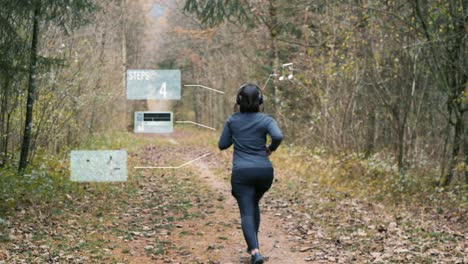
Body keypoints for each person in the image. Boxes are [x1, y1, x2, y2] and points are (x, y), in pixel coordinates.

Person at [218, 83, 283, 264]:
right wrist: (270, 149)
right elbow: (278, 136)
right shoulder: (267, 120)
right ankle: (253, 243)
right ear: (260, 101)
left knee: (247, 211)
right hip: (264, 172)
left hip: (242, 173)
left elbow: (222, 144)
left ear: (238, 101)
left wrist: (236, 133)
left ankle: (255, 252)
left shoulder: (233, 120)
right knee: (253, 203)